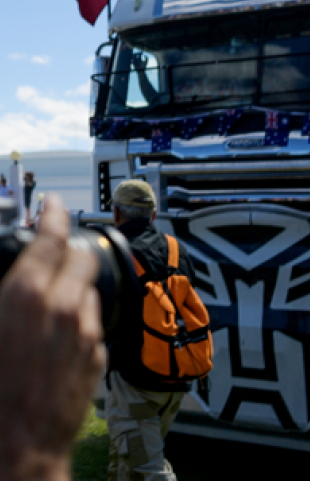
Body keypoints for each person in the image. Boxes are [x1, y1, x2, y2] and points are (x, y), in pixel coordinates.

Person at [105, 179, 194, 481]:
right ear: (153, 215)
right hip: (173, 380)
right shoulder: (176, 250)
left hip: (134, 383)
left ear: (116, 214)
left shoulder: (115, 254)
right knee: (127, 463)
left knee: (149, 470)